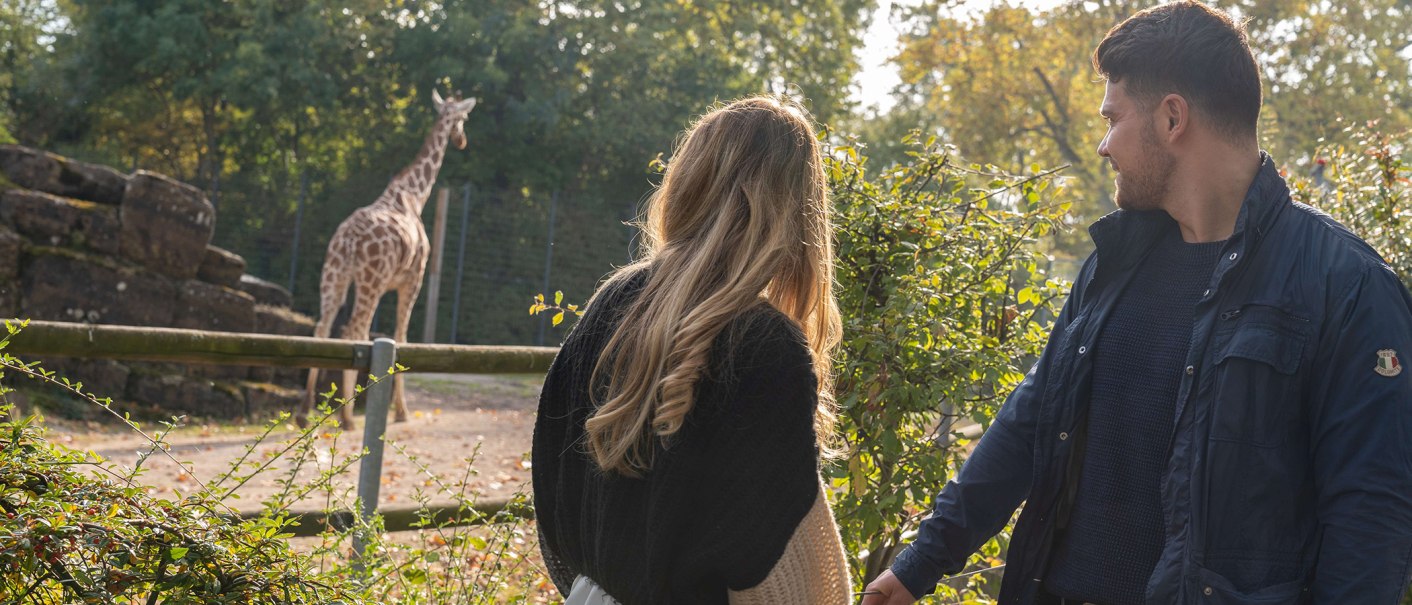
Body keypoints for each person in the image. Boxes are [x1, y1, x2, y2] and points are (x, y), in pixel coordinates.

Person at [863, 2, 1412, 604]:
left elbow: (1370, 521)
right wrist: (918, 565)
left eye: (1112, 118)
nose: (1103, 145)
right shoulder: (1113, 263)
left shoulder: (1347, 285)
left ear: (1172, 117)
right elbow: (1031, 421)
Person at [531, 96, 851, 605]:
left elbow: (550, 484)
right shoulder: (766, 347)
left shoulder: (614, 301)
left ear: (689, 180)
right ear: (795, 207)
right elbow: (782, 568)